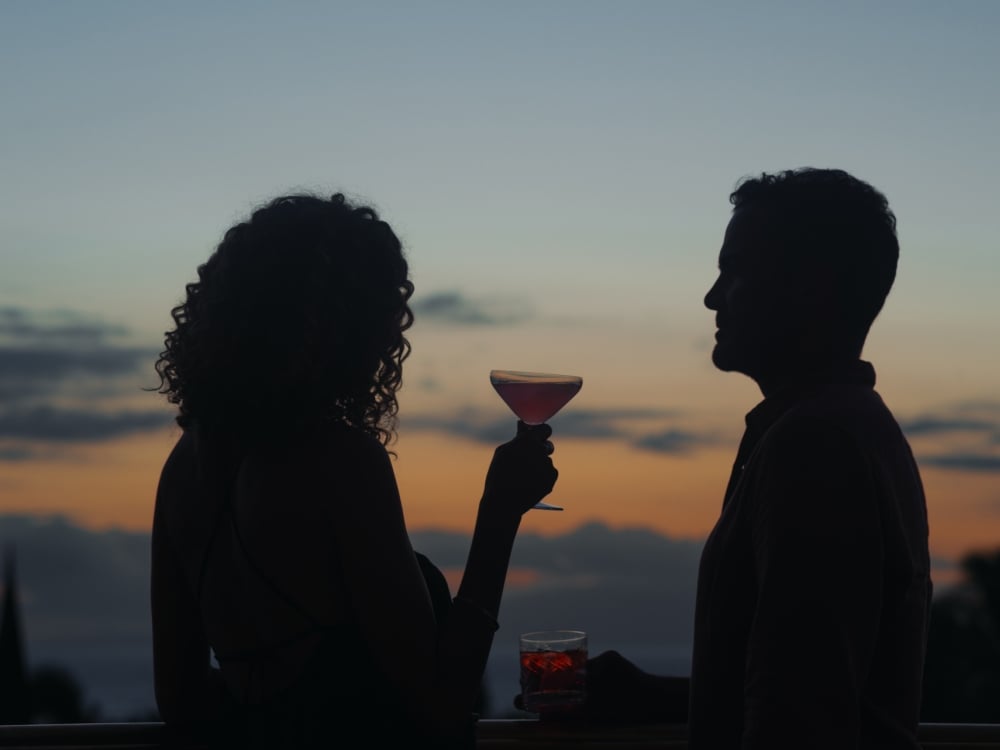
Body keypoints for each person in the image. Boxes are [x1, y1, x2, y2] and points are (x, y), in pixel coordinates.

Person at [150, 193, 558, 749]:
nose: (392, 338)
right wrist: (501, 510)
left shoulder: (183, 468)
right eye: (384, 312)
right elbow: (439, 705)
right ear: (339, 326)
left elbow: (181, 701)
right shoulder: (339, 463)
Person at [582, 168, 932, 748]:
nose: (713, 297)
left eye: (736, 269)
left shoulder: (815, 445)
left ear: (810, 286)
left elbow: (801, 719)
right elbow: (814, 676)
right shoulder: (853, 425)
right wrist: (658, 695)